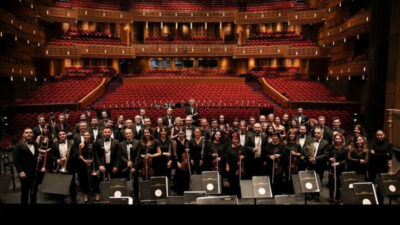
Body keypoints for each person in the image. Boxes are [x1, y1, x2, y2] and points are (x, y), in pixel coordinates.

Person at [13, 128, 40, 204]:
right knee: (25, 192)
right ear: (23, 134)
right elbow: (16, 160)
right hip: (24, 173)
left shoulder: (35, 143)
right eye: (26, 132)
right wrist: (20, 171)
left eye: (30, 132)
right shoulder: (18, 146)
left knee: (34, 192)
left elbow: (36, 154)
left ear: (33, 134)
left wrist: (38, 157)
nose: (29, 134)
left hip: (34, 172)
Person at [51, 130, 77, 203]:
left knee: (72, 184)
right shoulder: (55, 144)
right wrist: (58, 160)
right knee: (61, 184)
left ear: (66, 135)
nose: (62, 135)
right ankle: (61, 199)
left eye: (63, 134)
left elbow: (75, 154)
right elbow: (52, 155)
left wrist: (67, 159)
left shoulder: (71, 143)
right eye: (60, 134)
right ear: (58, 136)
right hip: (60, 166)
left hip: (70, 166)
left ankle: (73, 199)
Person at [304, 127, 329, 201]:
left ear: (321, 134)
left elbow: (326, 154)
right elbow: (305, 150)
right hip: (310, 164)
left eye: (318, 133)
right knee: (310, 179)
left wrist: (315, 158)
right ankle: (310, 194)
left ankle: (317, 195)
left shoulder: (325, 143)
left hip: (319, 165)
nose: (317, 134)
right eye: (315, 133)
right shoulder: (309, 141)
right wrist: (309, 157)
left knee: (318, 180)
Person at [77, 131, 100, 203]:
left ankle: (97, 193)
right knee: (85, 180)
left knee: (95, 179)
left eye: (88, 135)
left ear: (90, 136)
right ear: (83, 136)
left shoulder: (93, 144)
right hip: (84, 164)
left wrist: (92, 161)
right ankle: (86, 194)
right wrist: (85, 161)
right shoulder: (80, 145)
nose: (87, 136)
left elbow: (96, 154)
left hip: (93, 163)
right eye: (85, 135)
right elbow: (80, 155)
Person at [119, 128, 140, 202]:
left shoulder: (137, 142)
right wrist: (127, 162)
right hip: (125, 166)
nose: (128, 135)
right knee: (126, 181)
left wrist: (134, 167)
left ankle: (136, 196)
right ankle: (127, 197)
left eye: (129, 133)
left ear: (132, 134)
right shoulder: (121, 144)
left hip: (135, 165)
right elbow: (120, 155)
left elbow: (138, 156)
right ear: (125, 135)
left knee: (135, 182)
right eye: (127, 133)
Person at [328, 133, 348, 204]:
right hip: (332, 167)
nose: (337, 140)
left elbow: (346, 160)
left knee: (339, 184)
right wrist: (330, 159)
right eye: (336, 139)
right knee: (331, 183)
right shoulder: (331, 147)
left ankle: (338, 198)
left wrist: (338, 163)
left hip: (340, 168)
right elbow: (328, 156)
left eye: (339, 139)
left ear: (342, 139)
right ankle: (331, 197)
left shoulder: (345, 148)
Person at [172, 130, 191, 195]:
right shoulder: (175, 142)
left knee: (186, 176)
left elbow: (190, 151)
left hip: (186, 161)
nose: (181, 135)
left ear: (184, 134)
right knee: (179, 177)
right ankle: (180, 192)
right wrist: (177, 162)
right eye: (180, 134)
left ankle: (186, 191)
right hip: (179, 161)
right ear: (178, 134)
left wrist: (188, 150)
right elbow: (174, 153)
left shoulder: (187, 141)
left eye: (182, 134)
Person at [285, 128, 302, 194]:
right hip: (287, 163)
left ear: (295, 135)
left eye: (293, 134)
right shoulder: (285, 143)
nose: (291, 135)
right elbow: (283, 153)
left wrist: (295, 154)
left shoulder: (297, 144)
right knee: (287, 177)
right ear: (288, 135)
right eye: (290, 134)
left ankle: (294, 190)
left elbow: (301, 154)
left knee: (295, 177)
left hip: (295, 164)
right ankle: (288, 190)